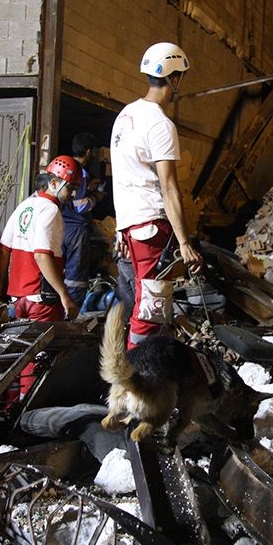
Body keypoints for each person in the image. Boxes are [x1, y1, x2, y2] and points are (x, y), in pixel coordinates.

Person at [110, 42, 202, 347]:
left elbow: (123, 175)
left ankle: (138, 367)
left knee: (138, 302)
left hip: (130, 227)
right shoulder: (160, 124)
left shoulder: (125, 116)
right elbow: (168, 187)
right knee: (151, 309)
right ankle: (135, 377)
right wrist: (185, 242)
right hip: (151, 226)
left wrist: (120, 227)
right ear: (174, 79)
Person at [0, 156, 81, 398]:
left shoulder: (24, 206)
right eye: (71, 188)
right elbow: (42, 255)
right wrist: (65, 296)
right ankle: (25, 413)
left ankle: (10, 403)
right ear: (54, 183)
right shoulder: (51, 210)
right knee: (38, 359)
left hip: (18, 297)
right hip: (41, 299)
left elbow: (4, 248)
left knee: (18, 355)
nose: (73, 195)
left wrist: (3, 285)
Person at [61, 133, 105, 304]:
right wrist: (98, 196)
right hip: (76, 230)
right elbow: (80, 206)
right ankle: (72, 311)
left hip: (62, 226)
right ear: (88, 152)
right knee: (75, 276)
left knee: (61, 270)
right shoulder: (81, 173)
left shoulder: (67, 169)